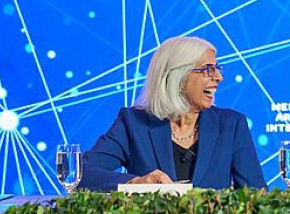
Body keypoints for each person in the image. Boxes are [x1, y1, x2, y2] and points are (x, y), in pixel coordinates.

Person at [81, 36, 265, 190]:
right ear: (178, 76)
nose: (218, 77)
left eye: (217, 69)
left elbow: (256, 195)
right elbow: (82, 174)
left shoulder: (231, 125)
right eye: (208, 70)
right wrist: (134, 183)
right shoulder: (133, 123)